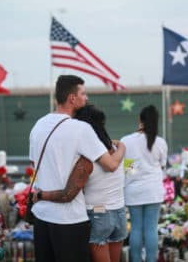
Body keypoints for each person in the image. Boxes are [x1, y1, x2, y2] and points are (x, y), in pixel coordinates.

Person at [29, 75, 125, 262]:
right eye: (83, 93)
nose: (86, 98)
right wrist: (123, 146)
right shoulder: (81, 129)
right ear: (72, 98)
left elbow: (34, 166)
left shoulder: (38, 125)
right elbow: (111, 164)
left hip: (41, 216)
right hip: (69, 220)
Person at [74, 105, 127, 262]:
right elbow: (130, 172)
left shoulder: (87, 154)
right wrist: (123, 146)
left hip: (98, 213)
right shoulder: (118, 148)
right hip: (120, 212)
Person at [120, 105, 168, 262]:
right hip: (153, 190)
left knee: (136, 229)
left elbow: (129, 170)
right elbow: (162, 166)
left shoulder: (127, 141)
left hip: (133, 191)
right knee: (151, 229)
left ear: (139, 120)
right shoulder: (160, 142)